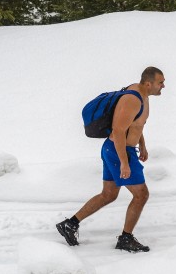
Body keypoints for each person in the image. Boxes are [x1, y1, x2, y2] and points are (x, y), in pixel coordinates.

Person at [56, 66, 166, 253]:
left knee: (109, 195)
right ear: (149, 83)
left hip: (114, 149)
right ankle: (126, 238)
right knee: (141, 195)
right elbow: (118, 130)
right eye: (160, 82)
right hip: (118, 150)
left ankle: (70, 224)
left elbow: (137, 124)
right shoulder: (132, 99)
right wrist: (124, 161)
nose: (163, 86)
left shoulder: (143, 95)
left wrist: (143, 144)